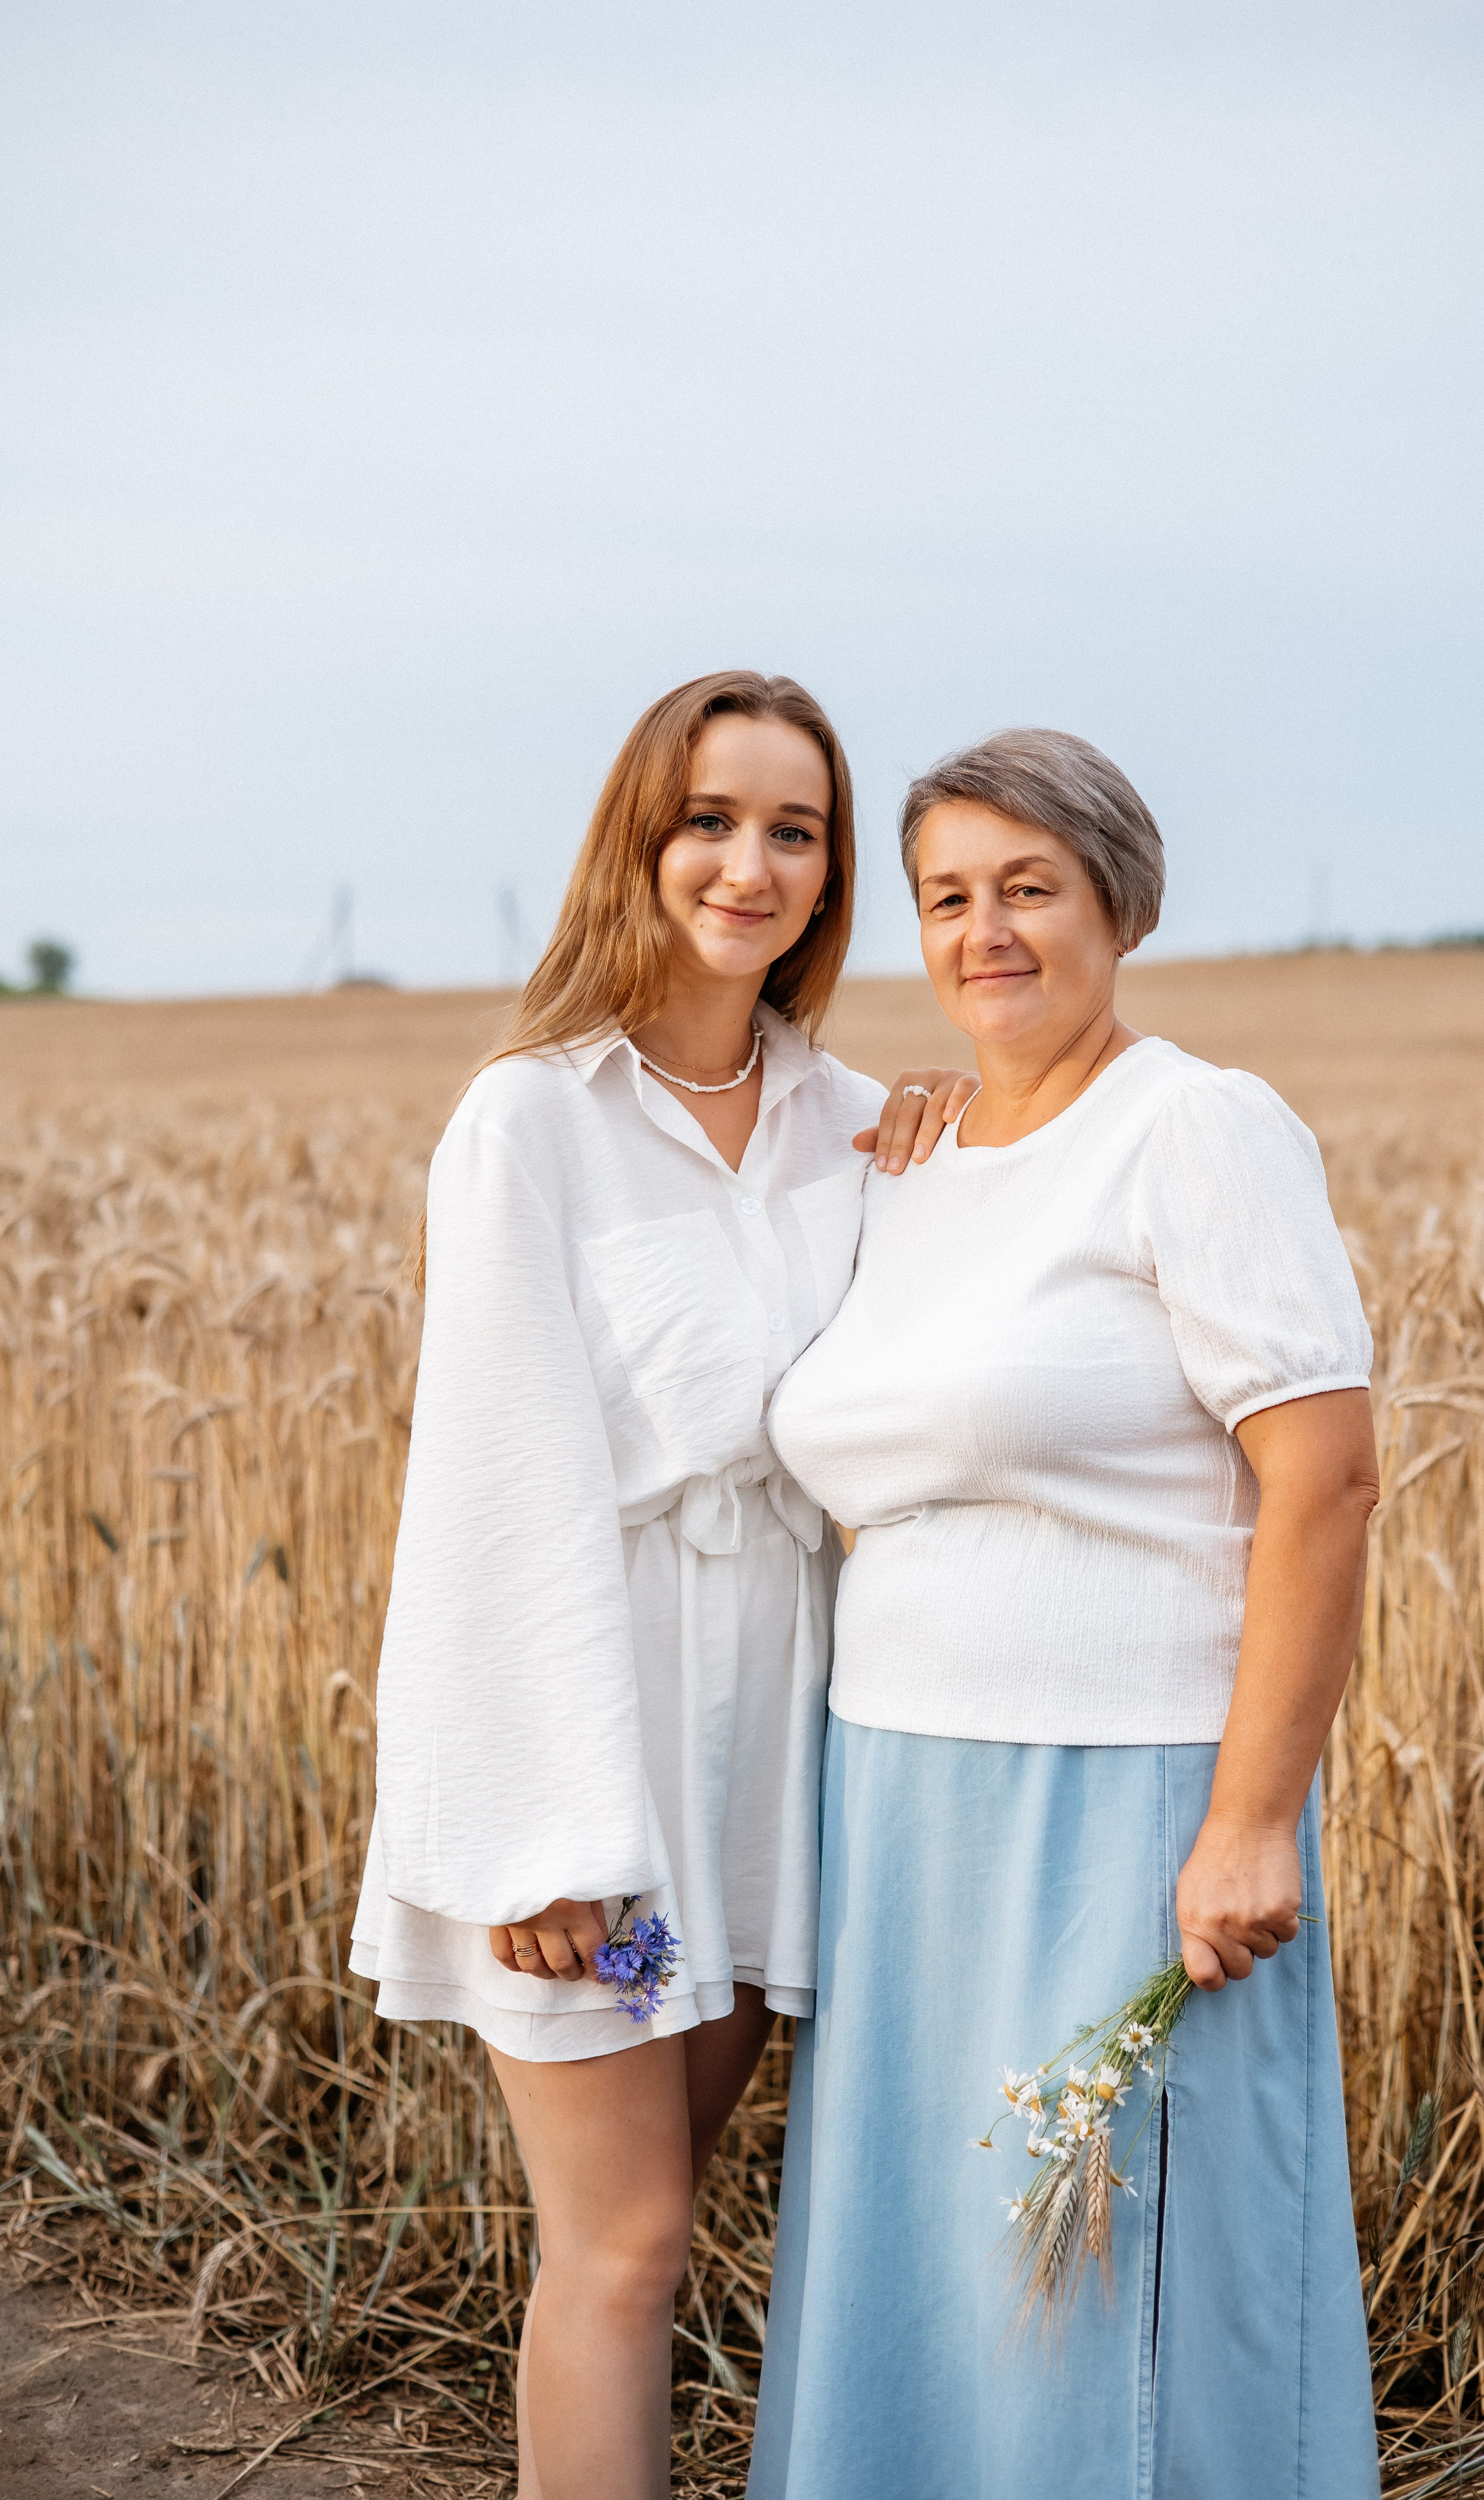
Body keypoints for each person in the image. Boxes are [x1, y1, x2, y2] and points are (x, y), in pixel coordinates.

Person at [350, 669, 974, 2500]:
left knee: (668, 2221)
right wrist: (546, 1831)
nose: (750, 862)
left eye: (796, 829)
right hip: (590, 1757)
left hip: (776, 1755)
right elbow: (491, 1481)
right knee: (621, 2254)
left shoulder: (857, 1119)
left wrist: (968, 1144)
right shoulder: (531, 1121)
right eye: (711, 817)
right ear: (643, 835)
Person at [753, 728, 1382, 2499]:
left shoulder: (1197, 1124)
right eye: (949, 897)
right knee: (935, 2249)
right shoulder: (907, 1159)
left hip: (1127, 1792)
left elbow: (1323, 1485)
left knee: (1112, 2263)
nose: (985, 932)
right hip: (894, 1789)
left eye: (1029, 887)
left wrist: (1252, 1820)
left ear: (1121, 898)